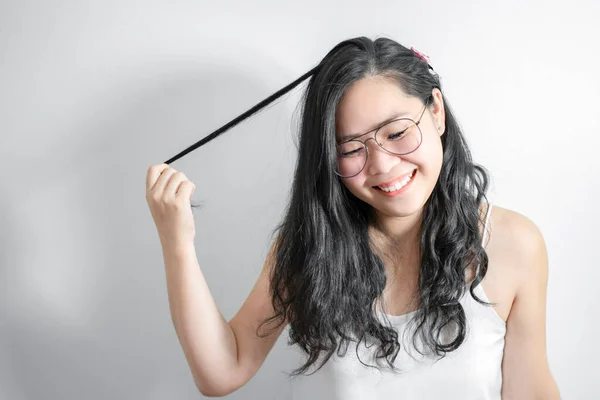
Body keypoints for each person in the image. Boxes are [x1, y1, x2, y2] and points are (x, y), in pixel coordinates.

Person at [145, 36, 561, 399]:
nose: (382, 165)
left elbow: (530, 392)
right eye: (351, 149)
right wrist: (177, 244)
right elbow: (224, 370)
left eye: (397, 133)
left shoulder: (514, 244)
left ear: (436, 111)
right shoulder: (312, 246)